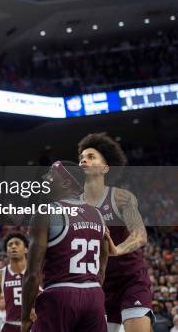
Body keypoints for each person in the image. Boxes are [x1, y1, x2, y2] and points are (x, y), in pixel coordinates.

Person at [21, 161, 109, 332]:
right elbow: (102, 268)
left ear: (66, 183)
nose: (44, 177)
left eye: (51, 174)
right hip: (94, 295)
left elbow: (32, 274)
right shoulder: (98, 214)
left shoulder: (45, 213)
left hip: (60, 296)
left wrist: (25, 317)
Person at [78, 133, 152, 332]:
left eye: (91, 156)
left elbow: (140, 235)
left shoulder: (121, 197)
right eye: (82, 157)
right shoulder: (73, 206)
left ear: (105, 167)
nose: (84, 160)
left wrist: (117, 250)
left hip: (130, 280)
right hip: (97, 285)